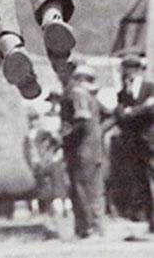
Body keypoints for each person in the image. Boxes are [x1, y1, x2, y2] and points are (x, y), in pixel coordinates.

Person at [61, 63, 105, 239]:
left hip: (81, 149)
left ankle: (88, 228)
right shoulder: (93, 97)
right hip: (95, 148)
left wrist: (65, 136)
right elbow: (110, 115)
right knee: (95, 189)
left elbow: (82, 120)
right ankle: (97, 227)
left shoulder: (78, 93)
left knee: (82, 188)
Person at [115, 54, 154, 235]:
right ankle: (151, 220)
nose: (125, 74)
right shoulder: (123, 92)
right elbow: (121, 115)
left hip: (150, 141)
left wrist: (133, 111)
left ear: (135, 70)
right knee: (142, 182)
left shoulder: (150, 88)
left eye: (127, 70)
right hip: (134, 144)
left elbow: (151, 109)